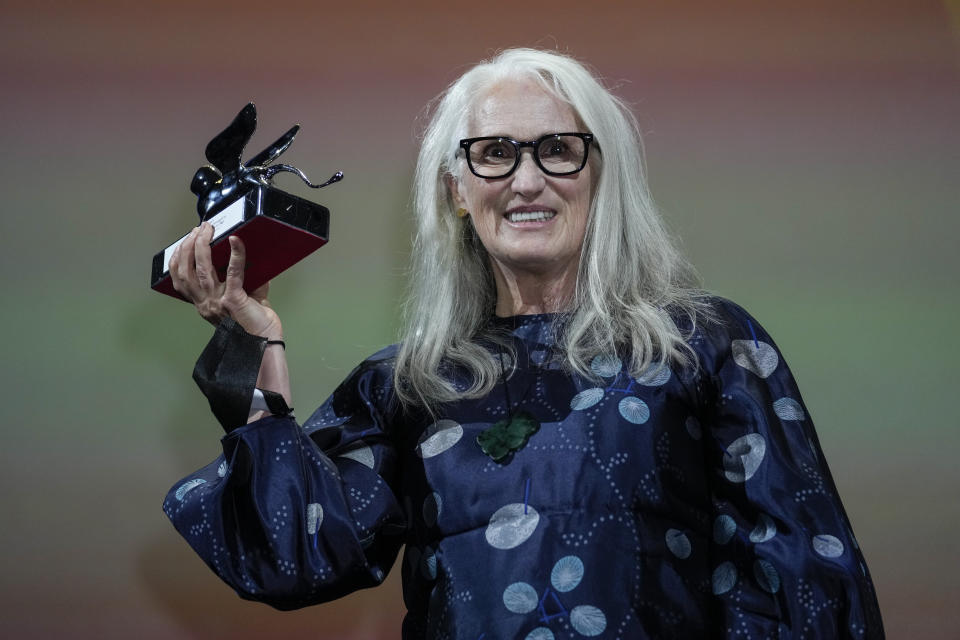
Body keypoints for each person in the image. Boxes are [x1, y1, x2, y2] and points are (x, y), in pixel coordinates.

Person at [164, 48, 884, 638]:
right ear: (455, 188)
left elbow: (804, 582)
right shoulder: (409, 385)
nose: (527, 180)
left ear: (600, 175)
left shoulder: (703, 347)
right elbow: (297, 555)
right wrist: (257, 352)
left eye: (558, 150)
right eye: (496, 153)